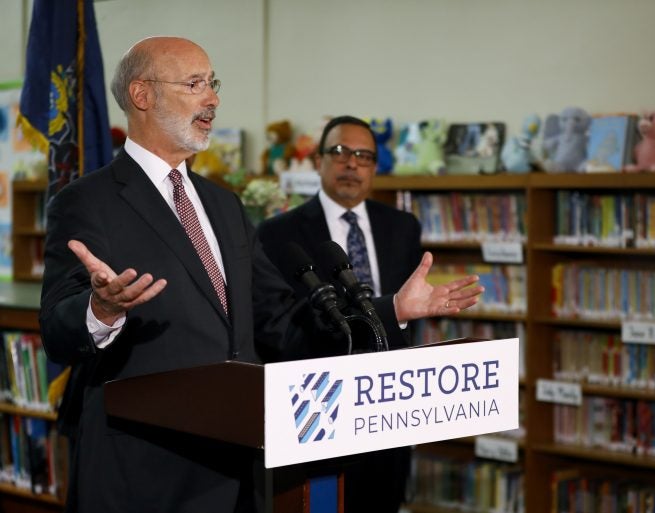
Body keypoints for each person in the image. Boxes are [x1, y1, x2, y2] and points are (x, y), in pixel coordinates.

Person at [38, 37, 482, 513]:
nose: (213, 99)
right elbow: (58, 329)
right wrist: (100, 309)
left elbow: (281, 318)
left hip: (236, 467)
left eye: (214, 84)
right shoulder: (87, 202)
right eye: (195, 84)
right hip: (143, 472)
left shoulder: (223, 205)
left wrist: (390, 307)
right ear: (142, 94)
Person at [257, 115, 421, 512]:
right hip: (318, 403)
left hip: (389, 401)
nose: (352, 164)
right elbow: (278, 322)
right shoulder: (278, 233)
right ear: (318, 161)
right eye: (340, 152)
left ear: (374, 168)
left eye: (364, 156)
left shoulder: (402, 227)